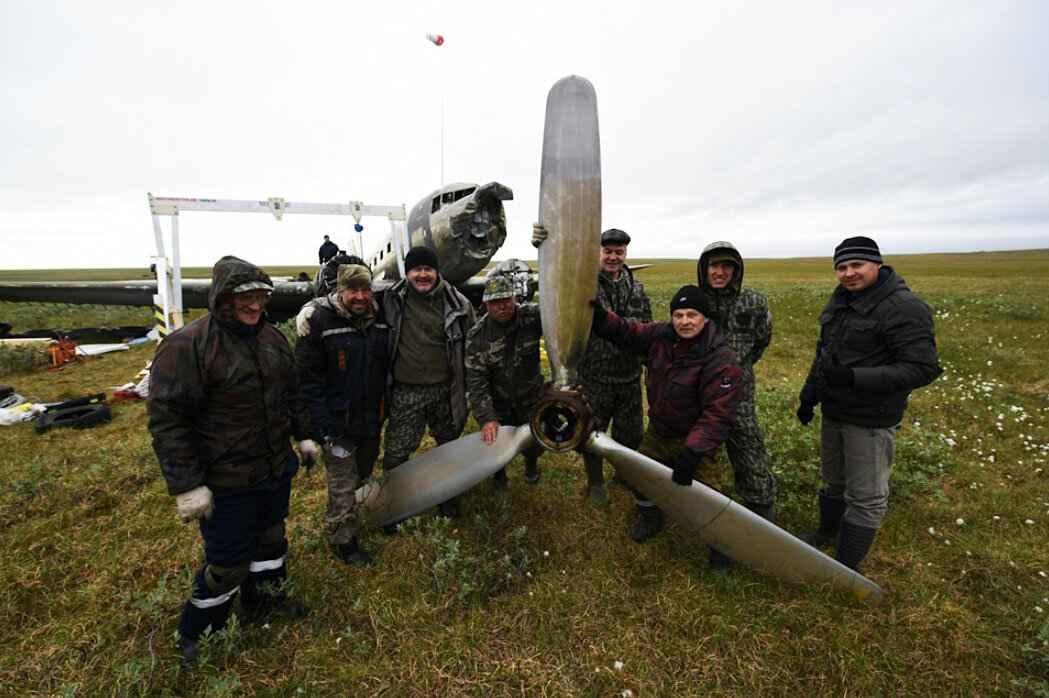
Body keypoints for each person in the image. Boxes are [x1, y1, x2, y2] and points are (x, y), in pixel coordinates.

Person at [147, 255, 317, 665]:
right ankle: (199, 634)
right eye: (246, 298)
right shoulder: (187, 346)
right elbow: (168, 420)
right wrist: (187, 485)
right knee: (227, 563)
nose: (255, 305)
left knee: (272, 543)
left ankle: (265, 603)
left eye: (261, 297)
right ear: (222, 298)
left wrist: (306, 434)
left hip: (274, 469)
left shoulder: (273, 339)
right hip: (225, 479)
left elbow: (292, 393)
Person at [796, 236, 942, 572]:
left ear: (877, 264)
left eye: (856, 265)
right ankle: (827, 534)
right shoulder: (841, 301)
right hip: (834, 411)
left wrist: (854, 377)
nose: (848, 273)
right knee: (833, 481)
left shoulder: (904, 307)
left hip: (870, 419)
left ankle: (846, 568)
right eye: (842, 267)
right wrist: (809, 396)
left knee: (865, 497)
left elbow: (923, 368)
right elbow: (824, 356)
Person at [591, 285, 742, 572]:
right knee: (640, 475)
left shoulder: (720, 358)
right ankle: (651, 520)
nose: (684, 321)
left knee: (710, 497)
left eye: (692, 314)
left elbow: (718, 414)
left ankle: (720, 551)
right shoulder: (661, 336)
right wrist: (600, 318)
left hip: (693, 437)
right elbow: (627, 331)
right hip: (659, 432)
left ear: (706, 318)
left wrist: (693, 451)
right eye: (678, 314)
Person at [531, 224, 652, 507]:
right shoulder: (583, 283)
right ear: (598, 253)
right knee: (591, 434)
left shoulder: (637, 287)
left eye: (618, 252)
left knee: (631, 435)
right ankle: (596, 483)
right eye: (607, 251)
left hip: (629, 378)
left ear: (625, 254)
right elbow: (557, 272)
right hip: (595, 377)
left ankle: (624, 474)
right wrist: (543, 245)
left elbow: (646, 329)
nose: (613, 257)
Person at [295, 263, 388, 567]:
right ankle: (342, 540)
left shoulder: (382, 315)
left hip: (371, 419)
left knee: (363, 472)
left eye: (365, 289)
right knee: (342, 481)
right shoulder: (318, 320)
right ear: (339, 291)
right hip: (336, 425)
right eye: (352, 290)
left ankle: (354, 515)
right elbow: (308, 380)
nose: (360, 296)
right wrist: (320, 427)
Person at [382, 246, 475, 518]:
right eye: (416, 269)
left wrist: (469, 391)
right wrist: (312, 308)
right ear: (407, 272)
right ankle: (393, 504)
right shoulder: (389, 298)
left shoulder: (459, 304)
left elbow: (471, 348)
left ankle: (447, 497)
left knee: (448, 447)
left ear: (436, 271)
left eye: (428, 269)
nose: (423, 275)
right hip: (405, 390)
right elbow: (352, 297)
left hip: (446, 390)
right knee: (396, 452)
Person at [697, 242, 777, 537]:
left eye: (726, 266)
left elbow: (761, 341)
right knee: (700, 457)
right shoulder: (693, 300)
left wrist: (737, 367)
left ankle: (764, 526)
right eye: (714, 266)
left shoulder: (754, 302)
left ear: (736, 269)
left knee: (750, 455)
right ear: (704, 268)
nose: (720, 272)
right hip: (700, 395)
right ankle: (709, 523)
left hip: (738, 396)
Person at [464, 275, 545, 491]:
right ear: (486, 304)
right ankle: (499, 475)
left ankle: (531, 464)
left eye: (506, 300)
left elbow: (559, 320)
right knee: (494, 441)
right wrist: (487, 418)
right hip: (498, 401)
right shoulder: (477, 336)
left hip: (530, 396)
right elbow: (476, 381)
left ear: (515, 297)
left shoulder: (532, 316)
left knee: (535, 439)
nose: (502, 307)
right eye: (495, 302)